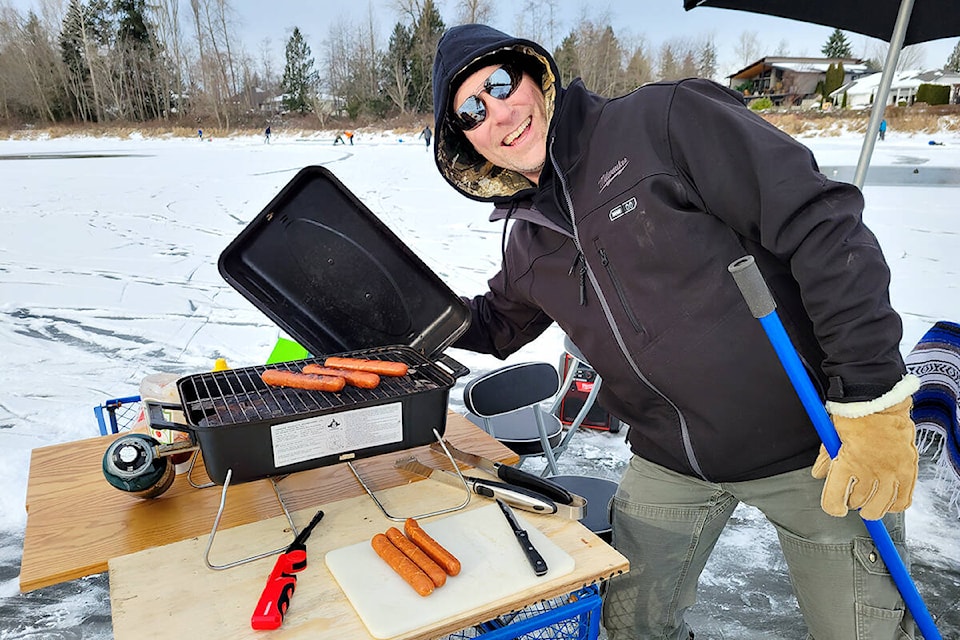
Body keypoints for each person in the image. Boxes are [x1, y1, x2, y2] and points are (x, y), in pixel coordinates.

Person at [431, 24, 919, 640]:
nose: (499, 113)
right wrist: (389, 314)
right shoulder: (530, 239)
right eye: (472, 111)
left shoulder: (661, 122)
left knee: (860, 633)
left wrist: (870, 397)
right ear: (467, 143)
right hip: (672, 458)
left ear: (536, 75)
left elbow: (823, 227)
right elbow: (492, 325)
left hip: (810, 445)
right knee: (631, 624)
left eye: (501, 84)